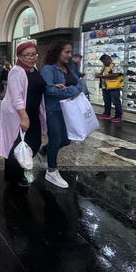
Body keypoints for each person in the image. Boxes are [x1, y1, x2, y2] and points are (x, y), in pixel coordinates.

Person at [0, 42, 46, 187]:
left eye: (34, 54)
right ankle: (15, 177)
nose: (31, 58)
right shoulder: (17, 71)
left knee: (34, 143)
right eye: (27, 55)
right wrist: (24, 117)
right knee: (16, 144)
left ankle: (17, 171)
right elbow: (16, 96)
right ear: (19, 56)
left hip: (33, 112)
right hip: (18, 114)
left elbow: (38, 86)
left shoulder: (33, 69)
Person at [39, 41, 83, 189]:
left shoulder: (68, 68)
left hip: (68, 111)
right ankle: (51, 171)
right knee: (56, 139)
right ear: (58, 52)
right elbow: (50, 90)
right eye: (67, 52)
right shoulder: (48, 69)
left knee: (66, 140)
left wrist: (69, 90)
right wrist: (73, 91)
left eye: (70, 52)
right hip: (54, 110)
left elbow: (80, 85)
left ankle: (44, 150)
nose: (70, 55)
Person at [95, 54, 123, 122]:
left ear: (108, 59)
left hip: (114, 86)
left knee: (116, 102)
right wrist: (99, 74)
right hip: (105, 86)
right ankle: (107, 114)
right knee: (106, 101)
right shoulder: (104, 66)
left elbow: (116, 74)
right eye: (102, 62)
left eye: (104, 61)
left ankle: (118, 116)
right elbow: (104, 74)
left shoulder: (115, 65)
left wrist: (102, 76)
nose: (103, 63)